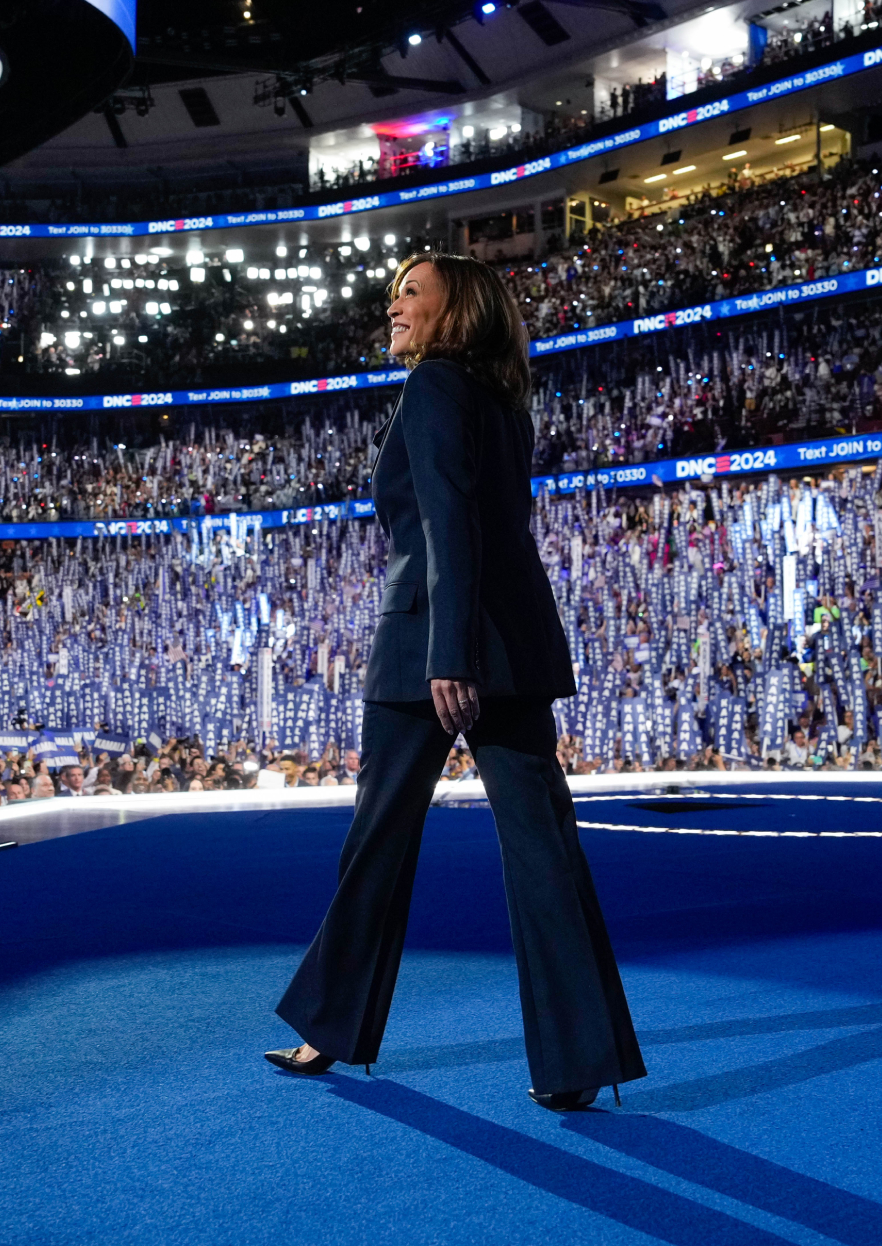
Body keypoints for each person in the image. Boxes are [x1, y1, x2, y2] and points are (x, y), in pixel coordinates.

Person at [269, 252, 647, 1113]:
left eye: (411, 292)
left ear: (455, 313)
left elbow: (444, 517)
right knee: (545, 847)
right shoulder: (505, 399)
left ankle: (328, 1026)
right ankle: (577, 1057)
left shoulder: (436, 384)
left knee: (379, 840)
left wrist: (448, 652)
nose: (393, 304)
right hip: (515, 642)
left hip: (426, 650)